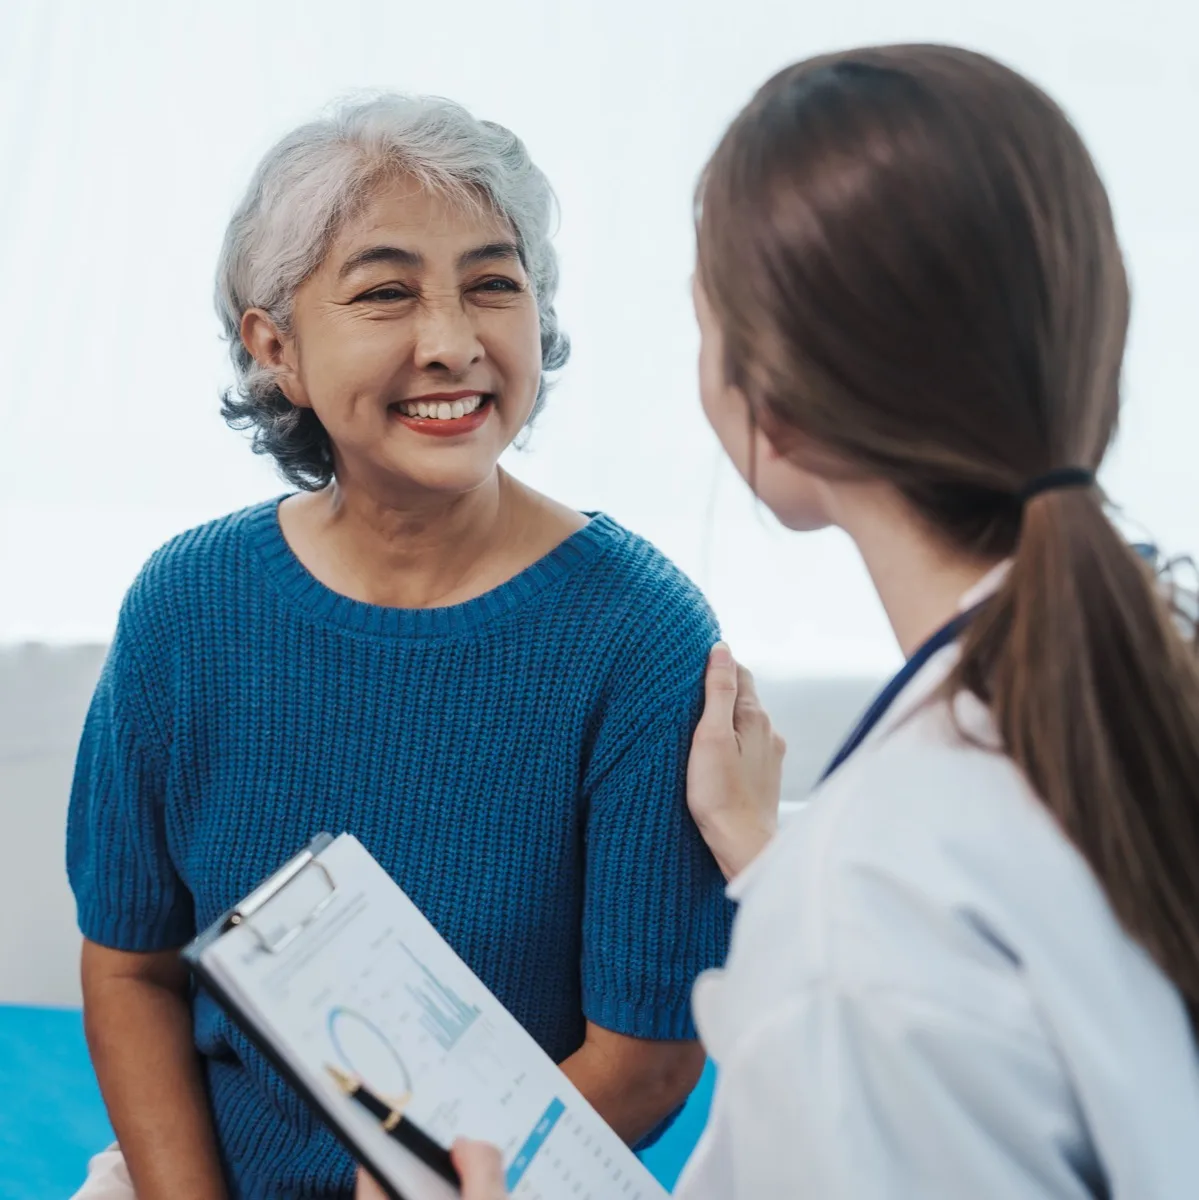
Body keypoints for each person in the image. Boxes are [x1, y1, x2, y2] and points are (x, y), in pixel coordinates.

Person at [401, 42, 1199, 1200]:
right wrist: (769, 857)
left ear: (770, 406)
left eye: (706, 324)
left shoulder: (870, 907)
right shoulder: (1135, 677)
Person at [66, 94, 734, 1200]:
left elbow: (647, 1058)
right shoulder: (186, 607)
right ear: (273, 346)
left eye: (492, 284)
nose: (452, 342)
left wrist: (426, 1182)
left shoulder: (639, 635)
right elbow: (131, 967)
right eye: (385, 293)